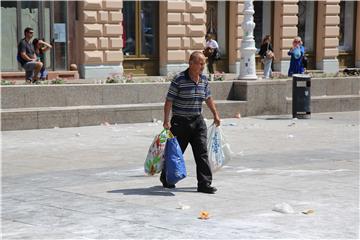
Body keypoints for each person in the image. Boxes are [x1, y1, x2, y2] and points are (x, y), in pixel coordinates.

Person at [161, 51, 221, 194]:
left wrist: (215, 114)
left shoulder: (204, 80)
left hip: (198, 121)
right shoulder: (179, 79)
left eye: (203, 64)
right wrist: (166, 120)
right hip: (180, 123)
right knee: (176, 153)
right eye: (200, 63)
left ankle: (204, 184)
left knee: (202, 153)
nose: (202, 66)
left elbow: (208, 98)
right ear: (191, 63)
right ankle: (166, 178)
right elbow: (169, 101)